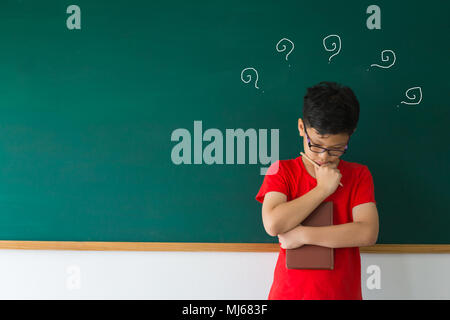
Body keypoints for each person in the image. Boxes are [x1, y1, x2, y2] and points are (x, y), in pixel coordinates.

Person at [255, 81, 379, 300]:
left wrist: (303, 235)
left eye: (336, 149)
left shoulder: (359, 175)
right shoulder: (280, 170)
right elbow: (274, 224)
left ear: (350, 135)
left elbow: (367, 232)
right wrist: (323, 189)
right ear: (302, 128)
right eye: (317, 145)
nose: (323, 156)